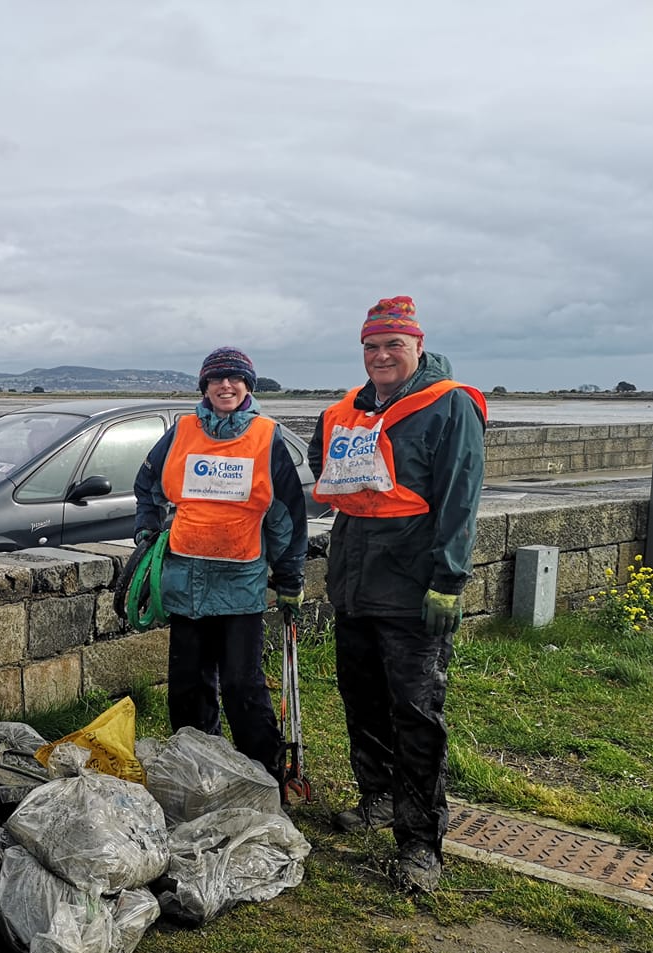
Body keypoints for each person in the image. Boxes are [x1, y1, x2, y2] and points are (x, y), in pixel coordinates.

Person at [307, 296, 486, 893]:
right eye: (371, 347)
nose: (381, 356)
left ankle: (419, 843)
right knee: (362, 701)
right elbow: (322, 469)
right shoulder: (346, 412)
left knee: (415, 714)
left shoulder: (449, 406)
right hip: (355, 584)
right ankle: (377, 798)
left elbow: (461, 498)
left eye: (393, 346)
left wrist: (448, 579)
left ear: (417, 346)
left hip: (414, 587)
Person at [133, 347, 308, 781]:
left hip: (240, 583)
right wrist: (148, 533)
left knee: (241, 685)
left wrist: (289, 577)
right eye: (216, 379)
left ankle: (265, 776)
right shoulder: (182, 431)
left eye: (234, 378)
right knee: (188, 686)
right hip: (184, 580)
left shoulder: (267, 436)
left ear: (248, 386)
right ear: (204, 386)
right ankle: (195, 773)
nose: (225, 386)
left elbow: (287, 515)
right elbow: (147, 485)